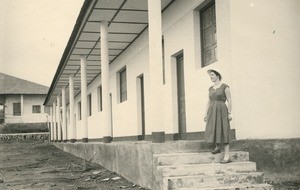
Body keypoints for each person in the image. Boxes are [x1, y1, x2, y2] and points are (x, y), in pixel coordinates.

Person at [204, 69, 232, 164]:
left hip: (222, 110)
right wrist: (205, 113)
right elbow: (208, 102)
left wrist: (229, 113)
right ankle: (217, 147)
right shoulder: (210, 89)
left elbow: (230, 100)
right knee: (214, 128)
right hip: (212, 111)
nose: (211, 77)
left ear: (218, 76)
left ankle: (227, 156)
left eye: (212, 75)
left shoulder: (225, 87)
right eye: (210, 75)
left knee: (224, 130)